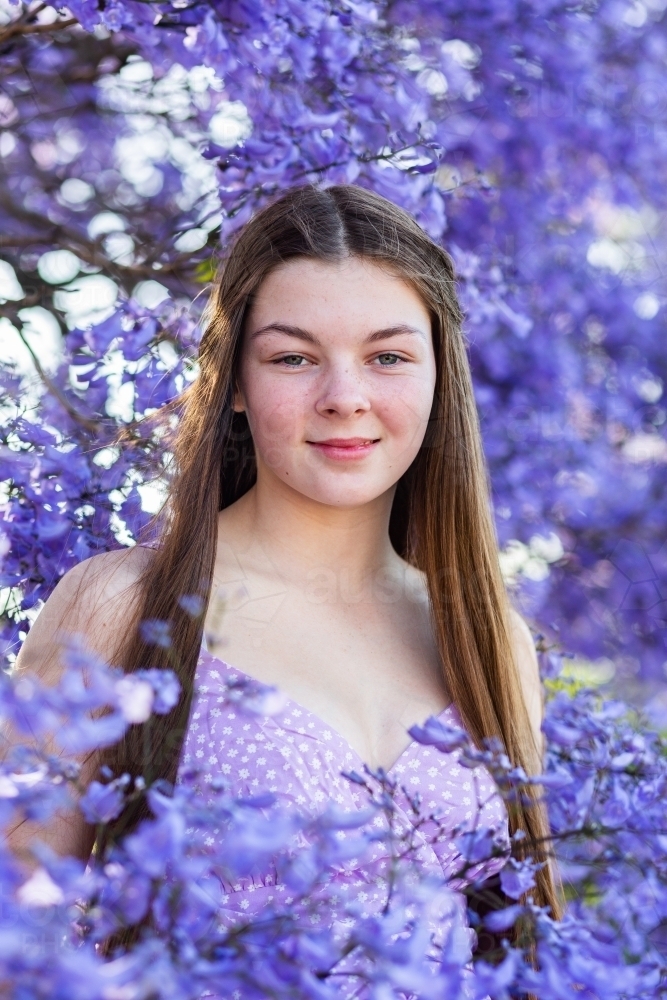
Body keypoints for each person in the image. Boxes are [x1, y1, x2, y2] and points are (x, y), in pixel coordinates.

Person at [7, 185, 558, 982]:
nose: (344, 397)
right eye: (293, 357)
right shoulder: (123, 602)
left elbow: (522, 943)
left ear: (440, 378)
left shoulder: (490, 636)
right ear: (234, 382)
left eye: (388, 356)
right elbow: (14, 941)